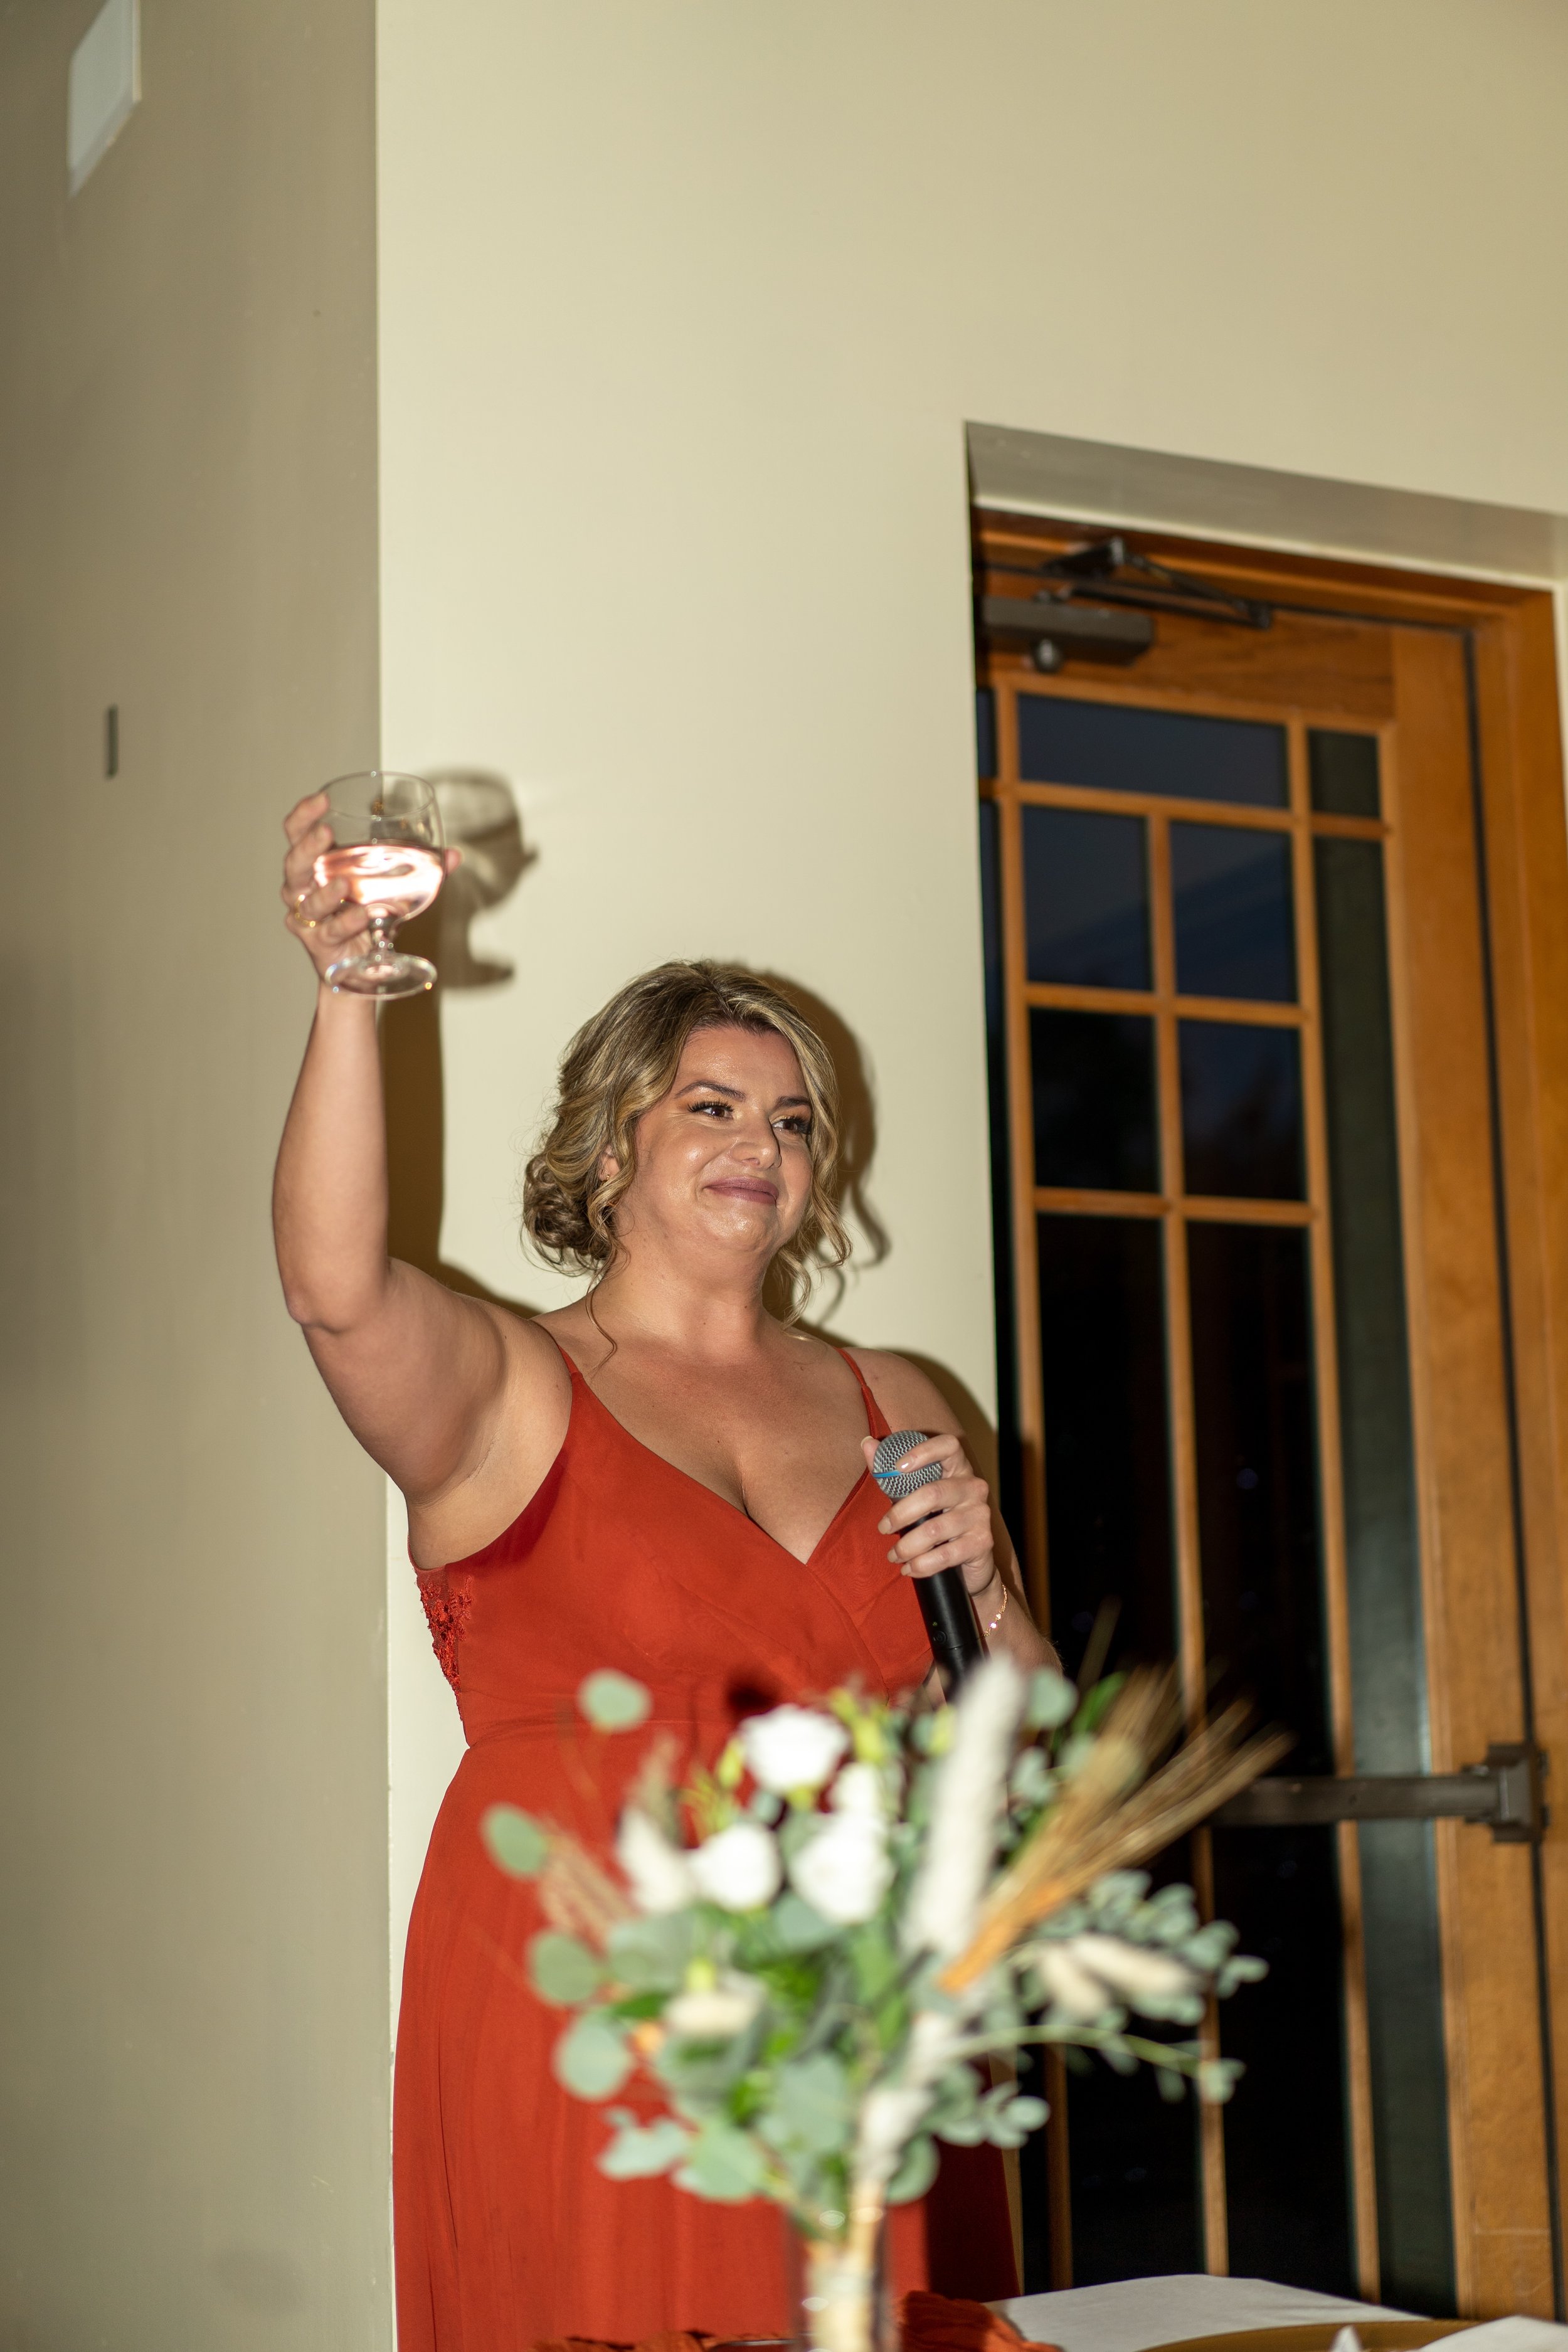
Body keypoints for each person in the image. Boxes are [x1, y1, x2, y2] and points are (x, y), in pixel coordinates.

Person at [273, 790, 1052, 2351]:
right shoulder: (510, 1385)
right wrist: (352, 985)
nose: (760, 1145)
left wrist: (986, 1590)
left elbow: (1021, 1740)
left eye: (792, 1121)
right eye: (711, 1107)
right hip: (595, 1995)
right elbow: (336, 1289)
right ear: (610, 1141)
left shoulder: (895, 1395)